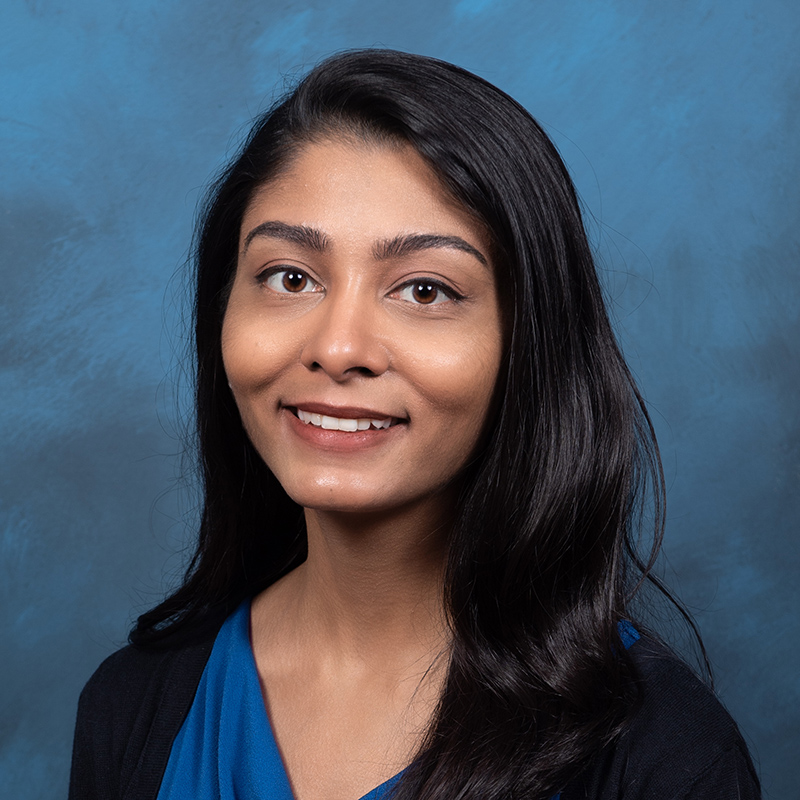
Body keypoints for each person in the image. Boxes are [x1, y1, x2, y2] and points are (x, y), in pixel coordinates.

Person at [69, 49, 760, 800]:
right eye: (290, 277)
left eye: (425, 290)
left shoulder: (666, 757)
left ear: (528, 344)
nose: (338, 348)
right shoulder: (133, 706)